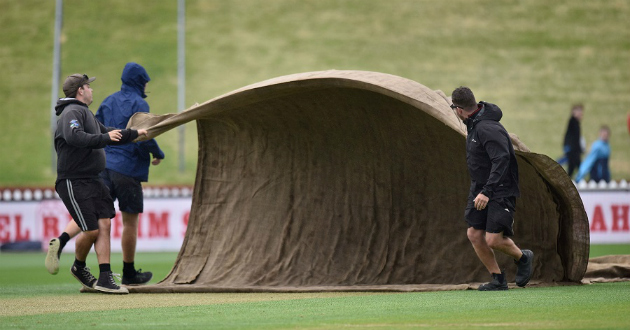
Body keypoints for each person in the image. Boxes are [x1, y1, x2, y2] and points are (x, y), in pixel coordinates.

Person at [46, 63, 163, 286]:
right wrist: (154, 151)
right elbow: (78, 136)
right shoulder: (72, 112)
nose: (92, 90)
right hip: (95, 175)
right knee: (104, 227)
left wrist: (134, 133)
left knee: (103, 223)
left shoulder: (93, 108)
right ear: (81, 90)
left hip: (99, 174)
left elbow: (106, 129)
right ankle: (114, 270)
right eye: (88, 86)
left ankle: (102, 274)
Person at [450, 86, 533, 291]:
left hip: (499, 189)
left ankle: (523, 258)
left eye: (453, 108)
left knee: (493, 239)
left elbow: (502, 159)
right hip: (480, 189)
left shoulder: (486, 128)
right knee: (474, 234)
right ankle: (497, 279)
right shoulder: (473, 124)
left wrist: (487, 191)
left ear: (459, 110)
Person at [559, 104, 585, 178]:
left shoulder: (575, 123)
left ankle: (572, 180)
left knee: (573, 167)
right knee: (574, 166)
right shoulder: (573, 122)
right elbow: (574, 138)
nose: (581, 114)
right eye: (579, 112)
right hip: (573, 150)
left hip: (573, 150)